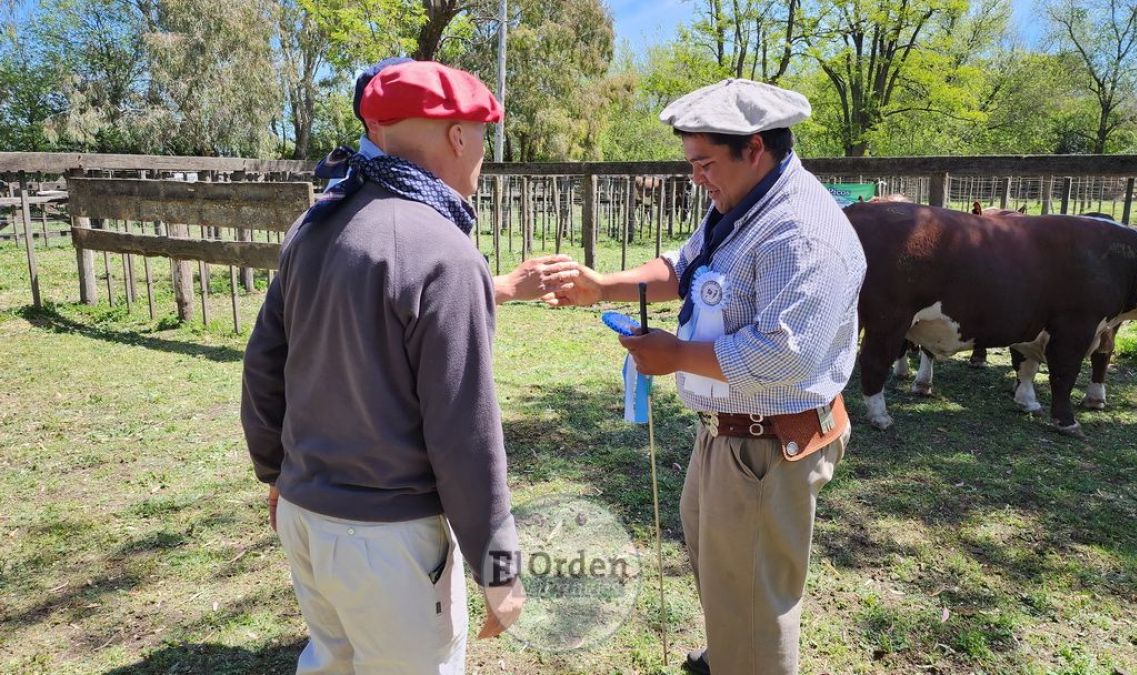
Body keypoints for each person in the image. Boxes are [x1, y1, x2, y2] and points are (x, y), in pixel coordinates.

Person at [542, 79, 866, 674]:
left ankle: (747, 660)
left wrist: (675, 356)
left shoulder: (803, 232)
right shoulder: (744, 206)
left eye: (705, 163)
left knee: (753, 594)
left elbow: (783, 355)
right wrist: (602, 287)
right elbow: (684, 267)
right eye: (692, 163)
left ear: (755, 148)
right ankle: (731, 653)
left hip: (767, 443)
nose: (697, 178)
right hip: (732, 433)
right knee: (726, 571)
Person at [242, 60, 524, 674]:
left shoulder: (315, 227)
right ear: (456, 134)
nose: (482, 152)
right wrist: (498, 566)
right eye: (482, 135)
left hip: (305, 517)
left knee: (332, 663)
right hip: (389, 541)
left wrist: (277, 475)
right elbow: (465, 436)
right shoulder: (445, 252)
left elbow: (265, 367)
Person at [323, 55, 570, 306]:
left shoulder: (341, 192)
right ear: (373, 124)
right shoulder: (419, 222)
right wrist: (505, 285)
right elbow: (424, 290)